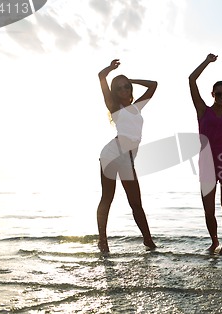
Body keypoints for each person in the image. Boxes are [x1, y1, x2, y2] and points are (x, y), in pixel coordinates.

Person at [97, 59, 157, 254]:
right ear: (115, 92)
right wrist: (111, 70)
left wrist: (130, 79)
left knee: (136, 204)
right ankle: (103, 241)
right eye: (120, 88)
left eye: (126, 87)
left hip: (127, 158)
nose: (124, 90)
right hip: (112, 155)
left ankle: (149, 242)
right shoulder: (115, 108)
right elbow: (101, 76)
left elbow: (153, 85)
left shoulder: (136, 108)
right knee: (108, 198)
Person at [189, 53, 222, 255]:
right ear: (212, 94)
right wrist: (207, 62)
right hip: (207, 163)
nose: (221, 97)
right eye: (218, 94)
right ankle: (214, 240)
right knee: (209, 210)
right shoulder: (203, 110)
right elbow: (191, 80)